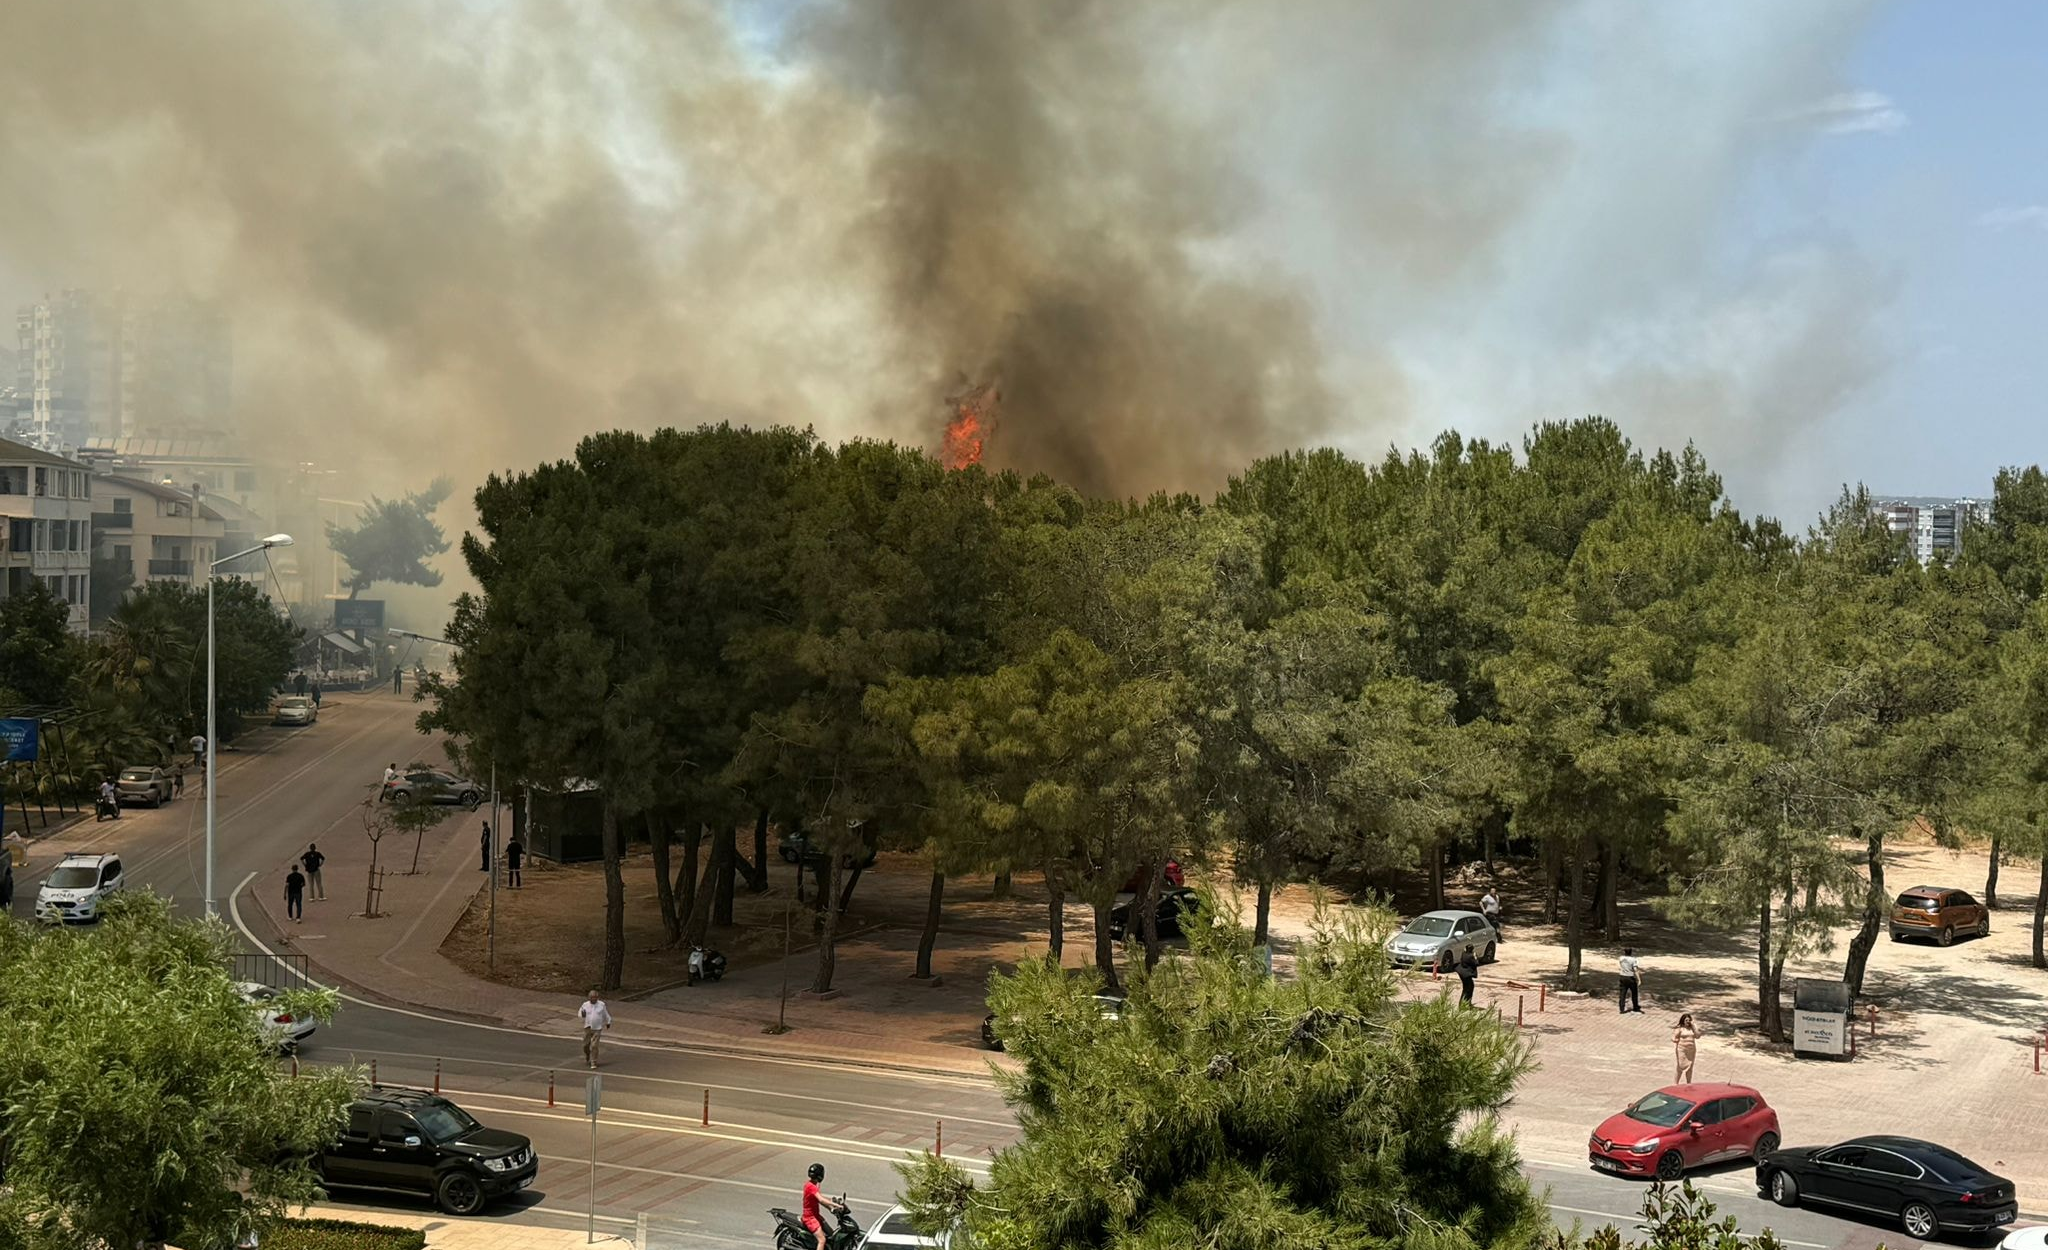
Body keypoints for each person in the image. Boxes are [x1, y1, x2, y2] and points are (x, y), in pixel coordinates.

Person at [801, 1162, 847, 1250]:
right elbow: (821, 1199)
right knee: (822, 1240)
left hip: (816, 1216)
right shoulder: (811, 1187)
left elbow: (819, 1201)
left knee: (831, 1234)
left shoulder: (814, 1184)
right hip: (810, 1218)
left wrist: (831, 1209)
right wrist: (835, 1205)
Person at [579, 989, 612, 1069]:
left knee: (594, 1046)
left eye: (595, 997)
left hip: (597, 1028)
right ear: (589, 997)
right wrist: (582, 1015)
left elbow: (605, 1014)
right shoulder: (585, 1005)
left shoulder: (601, 1005)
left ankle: (594, 1061)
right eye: (591, 997)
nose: (593, 999)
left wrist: (608, 1022)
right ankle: (587, 1055)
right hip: (588, 1027)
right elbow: (580, 1013)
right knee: (585, 1045)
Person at [1673, 1013, 1699, 1082]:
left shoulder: (1693, 1028)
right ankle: (1676, 1083)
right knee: (1680, 1066)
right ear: (1683, 1021)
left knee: (1690, 1067)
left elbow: (1697, 1036)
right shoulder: (1680, 1028)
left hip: (1691, 1050)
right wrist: (1675, 1040)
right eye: (1686, 1020)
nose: (1687, 1022)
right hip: (1682, 1049)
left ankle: (1688, 1082)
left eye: (1689, 1020)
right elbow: (1674, 1037)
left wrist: (1694, 1027)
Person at [1618, 947, 1643, 1014]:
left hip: (1622, 976)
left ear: (1624, 952)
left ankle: (1621, 1008)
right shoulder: (1633, 960)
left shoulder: (1621, 958)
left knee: (1622, 993)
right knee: (1634, 993)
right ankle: (1635, 1006)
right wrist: (1639, 979)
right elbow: (1635, 970)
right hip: (1630, 977)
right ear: (1631, 952)